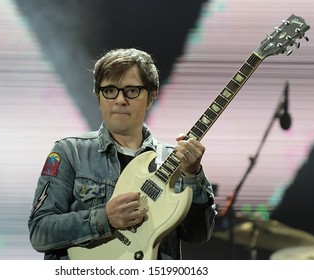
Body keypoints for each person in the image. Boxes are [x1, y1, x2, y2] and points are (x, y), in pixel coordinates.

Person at [28, 48, 216, 260]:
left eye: (132, 91)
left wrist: (192, 175)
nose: (120, 100)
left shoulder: (179, 160)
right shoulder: (69, 152)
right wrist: (104, 218)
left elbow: (198, 235)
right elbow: (39, 232)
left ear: (152, 96)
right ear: (98, 97)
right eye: (109, 90)